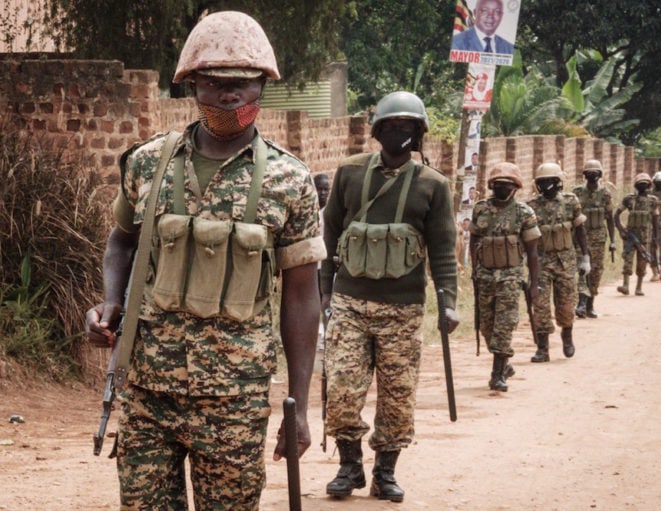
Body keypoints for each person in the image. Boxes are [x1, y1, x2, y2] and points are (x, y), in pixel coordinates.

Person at [83, 11, 325, 510]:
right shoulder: (148, 163)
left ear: (262, 86)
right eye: (214, 84)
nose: (229, 97)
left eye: (243, 85)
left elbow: (302, 295)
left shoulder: (290, 179)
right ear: (192, 85)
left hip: (235, 401)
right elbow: (121, 241)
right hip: (148, 391)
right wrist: (109, 303)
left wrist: (298, 408)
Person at [320, 91, 459, 503]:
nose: (399, 133)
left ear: (418, 135)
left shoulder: (433, 185)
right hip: (349, 301)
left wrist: (448, 301)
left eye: (408, 127)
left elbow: (443, 248)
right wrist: (325, 290)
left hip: (404, 307)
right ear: (377, 130)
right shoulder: (349, 173)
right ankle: (349, 467)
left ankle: (385, 471)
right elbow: (329, 235)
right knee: (343, 388)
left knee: (398, 394)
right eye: (391, 126)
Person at [470, 162, 539, 391]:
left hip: (511, 276)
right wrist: (473, 270)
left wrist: (534, 282)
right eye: (497, 185)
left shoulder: (524, 213)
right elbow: (474, 239)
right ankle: (505, 364)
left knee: (504, 324)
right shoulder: (481, 209)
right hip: (485, 275)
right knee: (486, 325)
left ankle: (496, 374)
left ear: (515, 187)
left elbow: (532, 250)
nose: (501, 189)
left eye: (506, 185)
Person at [527, 162, 589, 362]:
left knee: (566, 303)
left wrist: (585, 257)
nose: (547, 186)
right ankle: (543, 348)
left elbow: (580, 231)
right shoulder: (532, 206)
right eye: (542, 182)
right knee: (540, 305)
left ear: (558, 182)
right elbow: (526, 239)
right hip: (541, 262)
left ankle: (567, 336)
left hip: (566, 261)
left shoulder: (571, 202)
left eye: (550, 181)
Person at [572, 159, 616, 319]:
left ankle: (590, 304)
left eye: (595, 173)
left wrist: (612, 241)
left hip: (598, 238)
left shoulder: (605, 194)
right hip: (580, 237)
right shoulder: (576, 193)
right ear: (584, 175)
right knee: (583, 269)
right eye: (589, 173)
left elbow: (610, 218)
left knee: (596, 271)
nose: (592, 176)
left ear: (600, 175)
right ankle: (581, 303)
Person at [614, 173, 659, 296]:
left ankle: (639, 288)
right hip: (630, 236)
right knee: (627, 261)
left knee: (642, 262)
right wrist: (621, 230)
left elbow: (655, 219)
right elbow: (616, 214)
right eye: (640, 184)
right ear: (636, 185)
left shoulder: (653, 201)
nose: (643, 186)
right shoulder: (629, 199)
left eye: (645, 184)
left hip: (645, 237)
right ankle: (625, 285)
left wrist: (655, 237)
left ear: (649, 185)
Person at [315, 173, 331, 347]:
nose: (322, 193)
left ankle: (328, 338)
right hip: (312, 266)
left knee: (327, 304)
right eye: (319, 189)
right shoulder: (309, 211)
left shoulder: (331, 213)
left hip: (326, 266)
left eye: (326, 189)